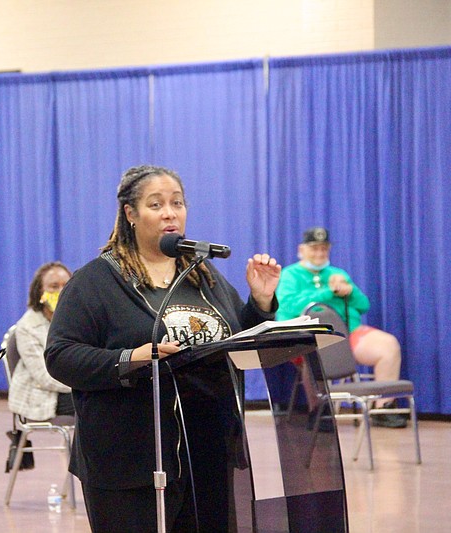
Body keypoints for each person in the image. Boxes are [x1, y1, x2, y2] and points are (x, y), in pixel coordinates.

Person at [45, 165, 281, 532]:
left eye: (178, 203)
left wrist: (261, 303)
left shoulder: (203, 277)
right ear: (130, 214)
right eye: (156, 204)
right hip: (129, 463)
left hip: (206, 453)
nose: (170, 212)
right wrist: (130, 359)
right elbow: (60, 356)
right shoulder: (97, 281)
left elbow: (236, 342)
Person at [276, 226, 407, 428]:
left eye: (324, 249)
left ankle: (383, 407)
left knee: (388, 345)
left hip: (347, 333)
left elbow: (363, 305)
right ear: (301, 250)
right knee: (314, 355)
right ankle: (320, 410)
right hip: (309, 337)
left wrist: (349, 291)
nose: (320, 253)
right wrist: (329, 291)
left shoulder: (338, 273)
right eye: (314, 249)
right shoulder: (290, 275)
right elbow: (289, 305)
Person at [8, 261, 74, 421]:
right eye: (54, 286)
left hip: (74, 385)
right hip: (43, 395)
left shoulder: (76, 318)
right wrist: (85, 383)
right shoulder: (27, 326)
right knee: (98, 401)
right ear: (40, 293)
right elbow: (44, 376)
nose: (61, 291)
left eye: (66, 285)